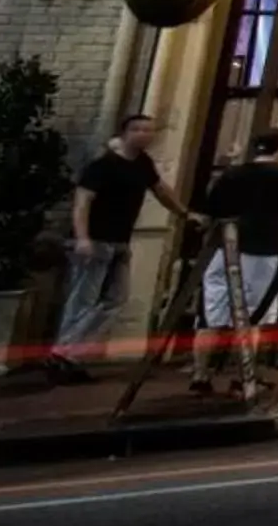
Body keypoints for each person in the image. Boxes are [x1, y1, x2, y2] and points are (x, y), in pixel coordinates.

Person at [44, 113, 191, 384]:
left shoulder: (143, 164)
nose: (146, 135)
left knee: (115, 299)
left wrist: (184, 213)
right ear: (126, 132)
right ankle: (62, 355)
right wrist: (83, 238)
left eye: (150, 130)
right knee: (83, 300)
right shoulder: (103, 165)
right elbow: (82, 202)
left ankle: (70, 353)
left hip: (120, 242)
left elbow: (160, 190)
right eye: (139, 130)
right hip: (97, 241)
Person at [190, 127, 278, 397]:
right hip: (264, 251)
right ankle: (242, 378)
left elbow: (209, 216)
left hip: (224, 250)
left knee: (210, 316)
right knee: (252, 316)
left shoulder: (230, 176)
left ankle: (200, 375)